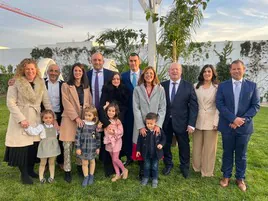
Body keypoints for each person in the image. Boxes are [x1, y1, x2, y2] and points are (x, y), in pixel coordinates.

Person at [4, 58, 52, 184]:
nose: (30, 71)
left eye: (32, 68)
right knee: (22, 147)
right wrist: (21, 119)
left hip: (35, 118)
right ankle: (24, 174)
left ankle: (30, 170)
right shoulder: (15, 83)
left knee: (33, 148)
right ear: (22, 70)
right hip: (21, 117)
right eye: (27, 69)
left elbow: (46, 101)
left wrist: (51, 117)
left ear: (36, 70)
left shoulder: (40, 83)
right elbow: (10, 103)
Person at [216, 60, 260, 192]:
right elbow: (220, 104)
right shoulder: (223, 86)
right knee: (227, 152)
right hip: (227, 125)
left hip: (244, 127)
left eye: (238, 68)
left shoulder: (252, 86)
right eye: (233, 69)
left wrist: (242, 120)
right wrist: (233, 119)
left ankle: (240, 178)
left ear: (244, 69)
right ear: (230, 71)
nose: (236, 71)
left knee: (241, 154)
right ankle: (226, 176)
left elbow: (255, 105)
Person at [161, 63, 198, 178]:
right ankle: (168, 164)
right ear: (169, 72)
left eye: (177, 69)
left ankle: (184, 166)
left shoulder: (188, 86)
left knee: (183, 144)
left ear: (181, 71)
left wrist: (191, 123)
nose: (174, 71)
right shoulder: (162, 85)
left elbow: (193, 106)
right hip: (165, 121)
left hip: (182, 121)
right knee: (165, 144)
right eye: (172, 69)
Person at [60, 63, 92, 183]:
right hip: (69, 119)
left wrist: (88, 117)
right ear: (72, 72)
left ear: (83, 72)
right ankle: (67, 171)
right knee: (67, 146)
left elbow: (89, 102)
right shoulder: (66, 86)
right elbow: (66, 103)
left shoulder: (86, 87)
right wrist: (76, 118)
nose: (77, 73)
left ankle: (80, 167)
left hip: (83, 120)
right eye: (75, 70)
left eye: (80, 71)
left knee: (81, 145)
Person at [132, 66, 166, 180]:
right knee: (142, 145)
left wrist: (158, 125)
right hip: (141, 123)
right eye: (146, 73)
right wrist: (140, 126)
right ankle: (142, 170)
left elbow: (163, 108)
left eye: (151, 73)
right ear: (143, 75)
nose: (149, 75)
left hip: (154, 125)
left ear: (154, 75)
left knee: (153, 146)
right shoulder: (137, 89)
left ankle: (153, 171)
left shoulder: (160, 89)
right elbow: (136, 108)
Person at [86, 52, 114, 177]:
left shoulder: (110, 74)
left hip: (106, 111)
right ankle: (90, 163)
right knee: (91, 137)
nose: (97, 62)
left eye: (99, 60)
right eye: (94, 60)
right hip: (91, 112)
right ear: (91, 61)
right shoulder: (86, 75)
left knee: (107, 137)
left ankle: (107, 164)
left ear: (103, 61)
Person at [192, 64, 219, 177]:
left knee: (209, 148)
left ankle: (207, 171)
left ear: (212, 74)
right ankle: (196, 167)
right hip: (197, 120)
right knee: (196, 146)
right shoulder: (195, 86)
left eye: (209, 71)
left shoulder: (217, 88)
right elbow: (192, 104)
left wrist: (216, 122)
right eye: (204, 71)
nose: (207, 73)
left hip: (211, 121)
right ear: (202, 73)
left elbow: (219, 106)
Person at [25, 109, 61, 184]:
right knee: (43, 163)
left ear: (53, 118)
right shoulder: (41, 127)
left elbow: (59, 133)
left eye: (50, 118)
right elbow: (34, 131)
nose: (48, 119)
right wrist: (27, 127)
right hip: (44, 147)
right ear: (42, 119)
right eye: (46, 118)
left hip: (53, 147)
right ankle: (41, 177)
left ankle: (51, 177)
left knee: (52, 162)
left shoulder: (55, 127)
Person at [121, 53, 142, 166]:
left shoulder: (146, 74)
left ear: (139, 61)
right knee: (128, 133)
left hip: (142, 111)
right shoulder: (123, 76)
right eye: (131, 61)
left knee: (141, 133)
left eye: (135, 60)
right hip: (128, 111)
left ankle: (140, 156)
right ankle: (129, 156)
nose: (133, 63)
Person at [43, 64, 64, 169]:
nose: (53, 73)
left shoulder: (63, 84)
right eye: (51, 70)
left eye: (56, 71)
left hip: (60, 115)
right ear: (47, 72)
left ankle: (61, 161)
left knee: (60, 139)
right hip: (45, 115)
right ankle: (45, 163)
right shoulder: (42, 83)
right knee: (46, 139)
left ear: (59, 73)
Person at [136, 112, 166, 188]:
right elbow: (139, 141)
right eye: (147, 123)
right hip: (146, 153)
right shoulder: (144, 131)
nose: (149, 125)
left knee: (155, 166)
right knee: (146, 166)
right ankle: (145, 177)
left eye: (151, 124)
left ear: (155, 123)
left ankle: (155, 179)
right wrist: (138, 150)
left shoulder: (159, 131)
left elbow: (164, 139)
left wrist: (161, 144)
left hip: (156, 153)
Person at [75, 106, 101, 187]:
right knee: (85, 162)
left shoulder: (95, 126)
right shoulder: (82, 124)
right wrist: (78, 147)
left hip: (92, 147)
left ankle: (91, 175)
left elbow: (97, 137)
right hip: (83, 147)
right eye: (86, 115)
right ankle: (86, 177)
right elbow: (77, 136)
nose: (87, 117)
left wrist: (98, 147)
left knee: (92, 161)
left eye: (89, 115)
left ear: (94, 116)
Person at [102, 102, 128, 182]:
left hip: (116, 142)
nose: (111, 112)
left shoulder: (117, 121)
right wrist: (99, 127)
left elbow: (121, 132)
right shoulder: (105, 121)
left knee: (115, 158)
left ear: (116, 112)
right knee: (113, 159)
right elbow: (100, 130)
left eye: (113, 111)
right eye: (109, 110)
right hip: (109, 143)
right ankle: (117, 174)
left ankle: (124, 170)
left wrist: (114, 132)